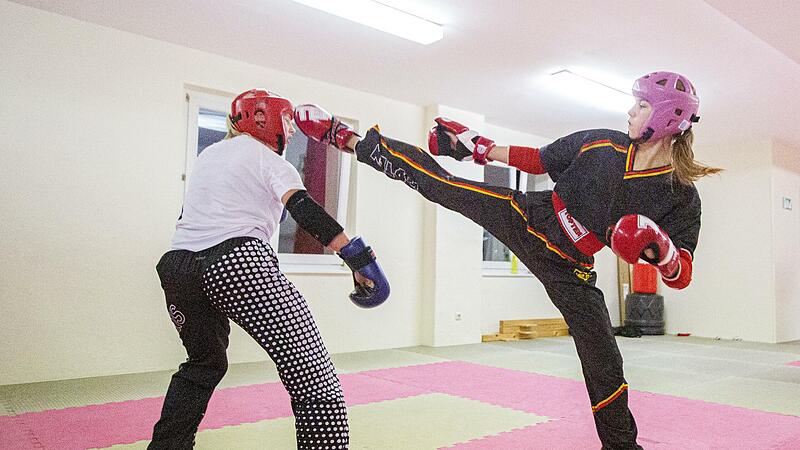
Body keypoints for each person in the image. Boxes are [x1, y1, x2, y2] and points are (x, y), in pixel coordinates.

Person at [293, 71, 721, 449]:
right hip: (530, 215)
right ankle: (344, 137)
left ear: (665, 118)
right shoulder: (602, 142)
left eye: (641, 105)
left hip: (572, 267)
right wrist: (474, 148)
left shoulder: (681, 195)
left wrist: (661, 250)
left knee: (605, 362)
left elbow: (682, 273)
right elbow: (539, 160)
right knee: (444, 186)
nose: (630, 111)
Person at [150, 89, 389, 450]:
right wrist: (357, 259)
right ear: (263, 119)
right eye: (289, 121)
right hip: (237, 264)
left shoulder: (208, 155)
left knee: (202, 364)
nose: (292, 131)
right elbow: (304, 209)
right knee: (314, 377)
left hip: (177, 268)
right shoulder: (268, 159)